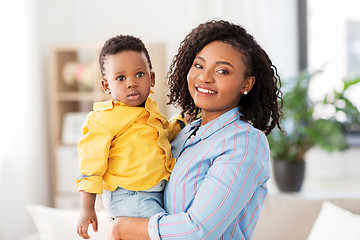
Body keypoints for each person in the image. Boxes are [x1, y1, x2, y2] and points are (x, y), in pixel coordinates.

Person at [109, 19, 284, 240]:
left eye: (222, 71)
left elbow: (198, 230)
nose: (205, 78)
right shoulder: (184, 133)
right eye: (199, 66)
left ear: (246, 84)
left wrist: (122, 228)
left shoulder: (245, 141)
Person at [75, 35, 184, 239]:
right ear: (106, 86)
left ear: (151, 78)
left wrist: (181, 122)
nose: (132, 83)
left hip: (153, 192)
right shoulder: (103, 119)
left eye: (139, 74)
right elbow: (90, 166)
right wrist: (87, 208)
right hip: (130, 195)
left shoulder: (151, 108)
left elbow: (161, 136)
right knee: (167, 233)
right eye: (121, 78)